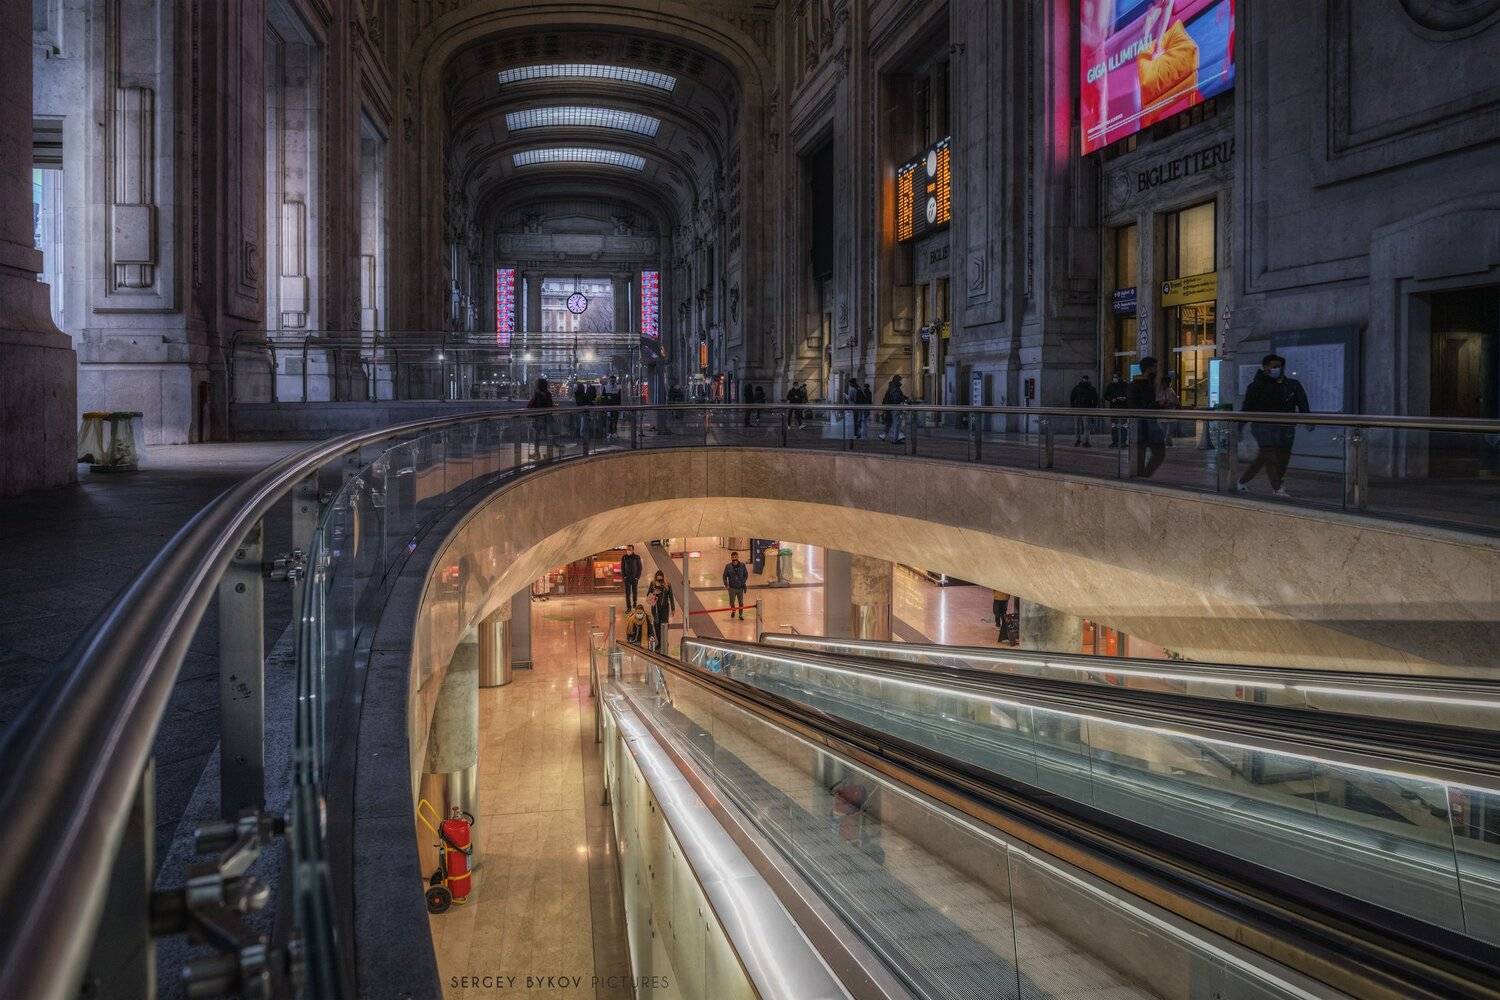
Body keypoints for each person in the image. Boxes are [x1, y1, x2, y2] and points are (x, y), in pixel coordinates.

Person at [1237, 353, 1311, 499]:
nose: (1277, 369)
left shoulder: (1292, 385)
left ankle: (1242, 481)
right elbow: (1247, 408)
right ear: (1265, 367)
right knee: (1269, 455)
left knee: (1278, 457)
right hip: (1262, 427)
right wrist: (1240, 426)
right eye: (1273, 367)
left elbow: (1302, 402)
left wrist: (1309, 420)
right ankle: (1277, 488)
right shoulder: (1256, 386)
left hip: (1285, 427)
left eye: (1279, 366)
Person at [1126, 357, 1165, 478]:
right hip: (1144, 425)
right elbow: (1141, 405)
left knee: (1141, 455)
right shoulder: (1143, 385)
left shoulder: (1140, 384)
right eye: (1155, 367)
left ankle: (1141, 477)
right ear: (1149, 369)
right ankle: (1142, 477)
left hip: (1142, 425)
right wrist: (1158, 405)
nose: (1157, 370)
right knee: (1156, 453)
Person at [645, 570, 675, 652]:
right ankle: (660, 642)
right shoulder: (653, 584)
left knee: (664, 624)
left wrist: (673, 608)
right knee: (657, 625)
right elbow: (648, 594)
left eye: (661, 579)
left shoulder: (667, 584)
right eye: (658, 579)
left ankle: (664, 640)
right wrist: (654, 592)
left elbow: (671, 597)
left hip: (665, 608)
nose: (660, 581)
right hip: (655, 608)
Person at [1069, 375, 1099, 447]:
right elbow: (1072, 398)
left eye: (1085, 379)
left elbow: (1095, 400)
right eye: (1084, 379)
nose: (1085, 381)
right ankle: (1083, 441)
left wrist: (1073, 407)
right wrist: (1092, 408)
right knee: (1082, 426)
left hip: (1082, 409)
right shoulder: (1089, 388)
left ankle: (1082, 440)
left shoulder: (1079, 388)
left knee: (1082, 426)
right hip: (1082, 409)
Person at [1102, 372, 1129, 447]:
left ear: (1120, 377)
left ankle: (1123, 441)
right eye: (1114, 377)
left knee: (1123, 425)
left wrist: (1124, 398)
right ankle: (1115, 441)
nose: (1114, 379)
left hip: (1123, 408)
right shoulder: (1111, 385)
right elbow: (1105, 395)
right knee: (1114, 425)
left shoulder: (1125, 385)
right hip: (1114, 408)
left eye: (1116, 377)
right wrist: (1111, 399)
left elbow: (1128, 395)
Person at [879, 375, 907, 443]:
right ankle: (895, 438)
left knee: (891, 423)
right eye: (899, 380)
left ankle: (894, 436)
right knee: (895, 423)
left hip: (891, 408)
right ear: (896, 380)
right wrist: (903, 398)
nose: (900, 382)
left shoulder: (892, 387)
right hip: (894, 407)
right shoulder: (894, 388)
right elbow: (896, 398)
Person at [723, 551, 749, 620]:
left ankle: (740, 614)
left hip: (740, 588)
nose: (734, 558)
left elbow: (746, 574)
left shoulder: (742, 565)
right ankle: (733, 610)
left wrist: (743, 582)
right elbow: (724, 576)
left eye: (735, 557)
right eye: (733, 557)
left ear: (738, 557)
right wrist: (726, 584)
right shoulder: (728, 566)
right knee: (732, 602)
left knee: (741, 602)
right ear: (731, 558)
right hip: (732, 588)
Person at [1156, 371, 1180, 446]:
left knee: (1168, 432)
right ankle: (1166, 444)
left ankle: (1167, 444)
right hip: (1163, 414)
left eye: (1165, 383)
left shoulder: (1170, 391)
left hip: (1169, 414)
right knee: (1163, 431)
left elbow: (1174, 402)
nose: (1163, 384)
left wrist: (1165, 403)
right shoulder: (1161, 391)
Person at [620, 544, 642, 611]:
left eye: (629, 549)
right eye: (627, 549)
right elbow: (622, 568)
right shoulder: (624, 557)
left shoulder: (637, 557)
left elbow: (640, 568)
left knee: (634, 592)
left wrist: (637, 577)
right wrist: (624, 577)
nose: (628, 550)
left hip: (634, 578)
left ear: (633, 550)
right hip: (627, 578)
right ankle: (628, 607)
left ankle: (634, 605)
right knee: (627, 593)